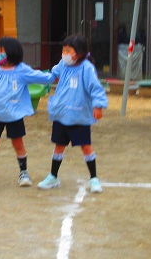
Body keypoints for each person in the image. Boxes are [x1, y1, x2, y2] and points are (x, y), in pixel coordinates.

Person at [0, 37, 53, 187]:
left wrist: (57, 73)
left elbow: (42, 77)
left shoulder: (22, 70)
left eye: (1, 50)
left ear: (12, 52)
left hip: (14, 115)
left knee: (18, 144)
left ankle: (24, 173)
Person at [37, 34, 108, 194]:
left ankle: (94, 179)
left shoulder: (87, 68)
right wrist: (35, 77)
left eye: (68, 50)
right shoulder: (63, 64)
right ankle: (53, 176)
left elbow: (96, 88)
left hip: (78, 116)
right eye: (63, 50)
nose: (65, 53)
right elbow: (52, 74)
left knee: (86, 146)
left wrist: (98, 106)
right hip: (61, 114)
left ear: (80, 53)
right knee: (59, 146)